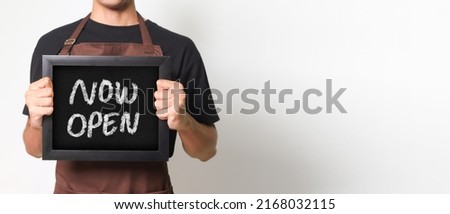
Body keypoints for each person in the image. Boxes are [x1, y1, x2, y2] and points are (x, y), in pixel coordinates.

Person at [22, 0, 219, 194]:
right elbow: (34, 149)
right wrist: (35, 122)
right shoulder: (51, 44)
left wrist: (185, 122)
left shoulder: (179, 47)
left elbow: (206, 151)